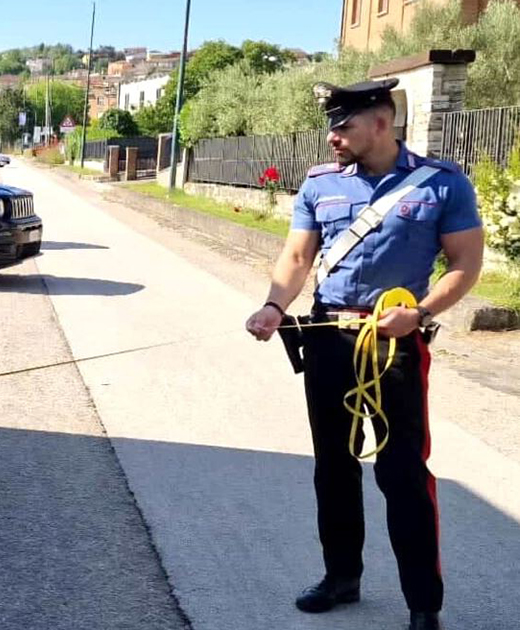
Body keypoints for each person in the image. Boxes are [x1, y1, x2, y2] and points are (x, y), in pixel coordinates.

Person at [245, 78, 484, 630]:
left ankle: (424, 604)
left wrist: (420, 314)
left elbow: (464, 266)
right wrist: (273, 306)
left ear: (381, 122)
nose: (333, 136)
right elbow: (297, 256)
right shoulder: (320, 185)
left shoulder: (442, 185)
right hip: (328, 340)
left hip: (396, 344)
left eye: (343, 125)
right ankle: (341, 577)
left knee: (402, 472)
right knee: (333, 467)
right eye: (331, 126)